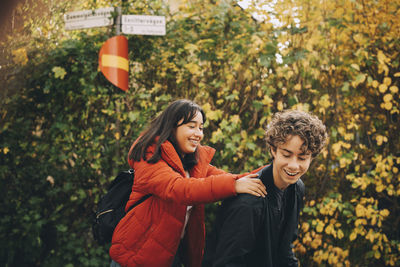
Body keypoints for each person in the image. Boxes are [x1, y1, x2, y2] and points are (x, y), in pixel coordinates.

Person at [109, 99, 267, 267]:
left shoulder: (194, 162)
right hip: (136, 257)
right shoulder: (149, 155)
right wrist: (233, 185)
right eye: (191, 126)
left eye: (201, 128)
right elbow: (178, 188)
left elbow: (231, 178)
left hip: (171, 256)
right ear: (171, 127)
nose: (198, 133)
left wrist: (274, 171)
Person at [202, 109, 328, 267]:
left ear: (312, 157)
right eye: (286, 155)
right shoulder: (249, 203)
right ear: (273, 150)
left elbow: (285, 250)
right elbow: (226, 263)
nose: (294, 165)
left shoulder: (296, 188)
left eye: (302, 158)